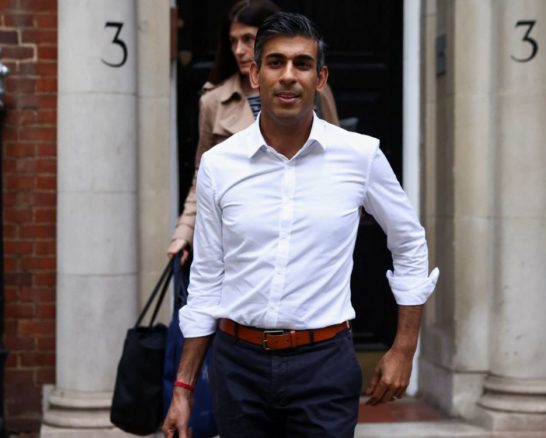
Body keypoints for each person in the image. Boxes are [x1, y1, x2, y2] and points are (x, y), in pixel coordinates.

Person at [163, 11, 439, 438]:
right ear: (255, 75)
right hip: (238, 367)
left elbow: (409, 241)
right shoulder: (220, 164)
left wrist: (404, 348)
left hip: (323, 365)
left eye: (302, 64)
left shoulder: (360, 156)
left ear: (320, 78)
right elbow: (206, 279)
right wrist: (183, 388)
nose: (289, 75)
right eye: (276, 62)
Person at [167, 0, 339, 265]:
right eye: (233, 41)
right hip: (241, 236)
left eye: (248, 39)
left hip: (303, 233)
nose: (239, 50)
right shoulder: (213, 101)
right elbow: (202, 175)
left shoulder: (312, 90)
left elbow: (336, 152)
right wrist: (184, 234)